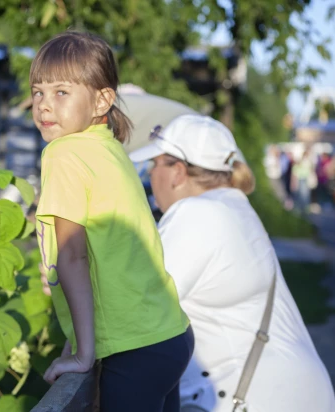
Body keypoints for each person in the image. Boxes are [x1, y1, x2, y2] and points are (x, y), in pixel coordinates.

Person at [129, 114, 335, 412]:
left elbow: (138, 306)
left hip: (259, 398)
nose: (150, 174)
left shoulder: (196, 214)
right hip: (291, 391)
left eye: (154, 164)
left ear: (177, 172)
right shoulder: (232, 205)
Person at [32, 31, 193, 411]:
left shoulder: (64, 154)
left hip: (133, 348)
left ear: (102, 99)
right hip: (169, 336)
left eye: (60, 92)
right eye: (38, 92)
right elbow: (109, 252)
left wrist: (83, 355)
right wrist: (75, 341)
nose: (43, 106)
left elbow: (73, 257)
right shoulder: (108, 146)